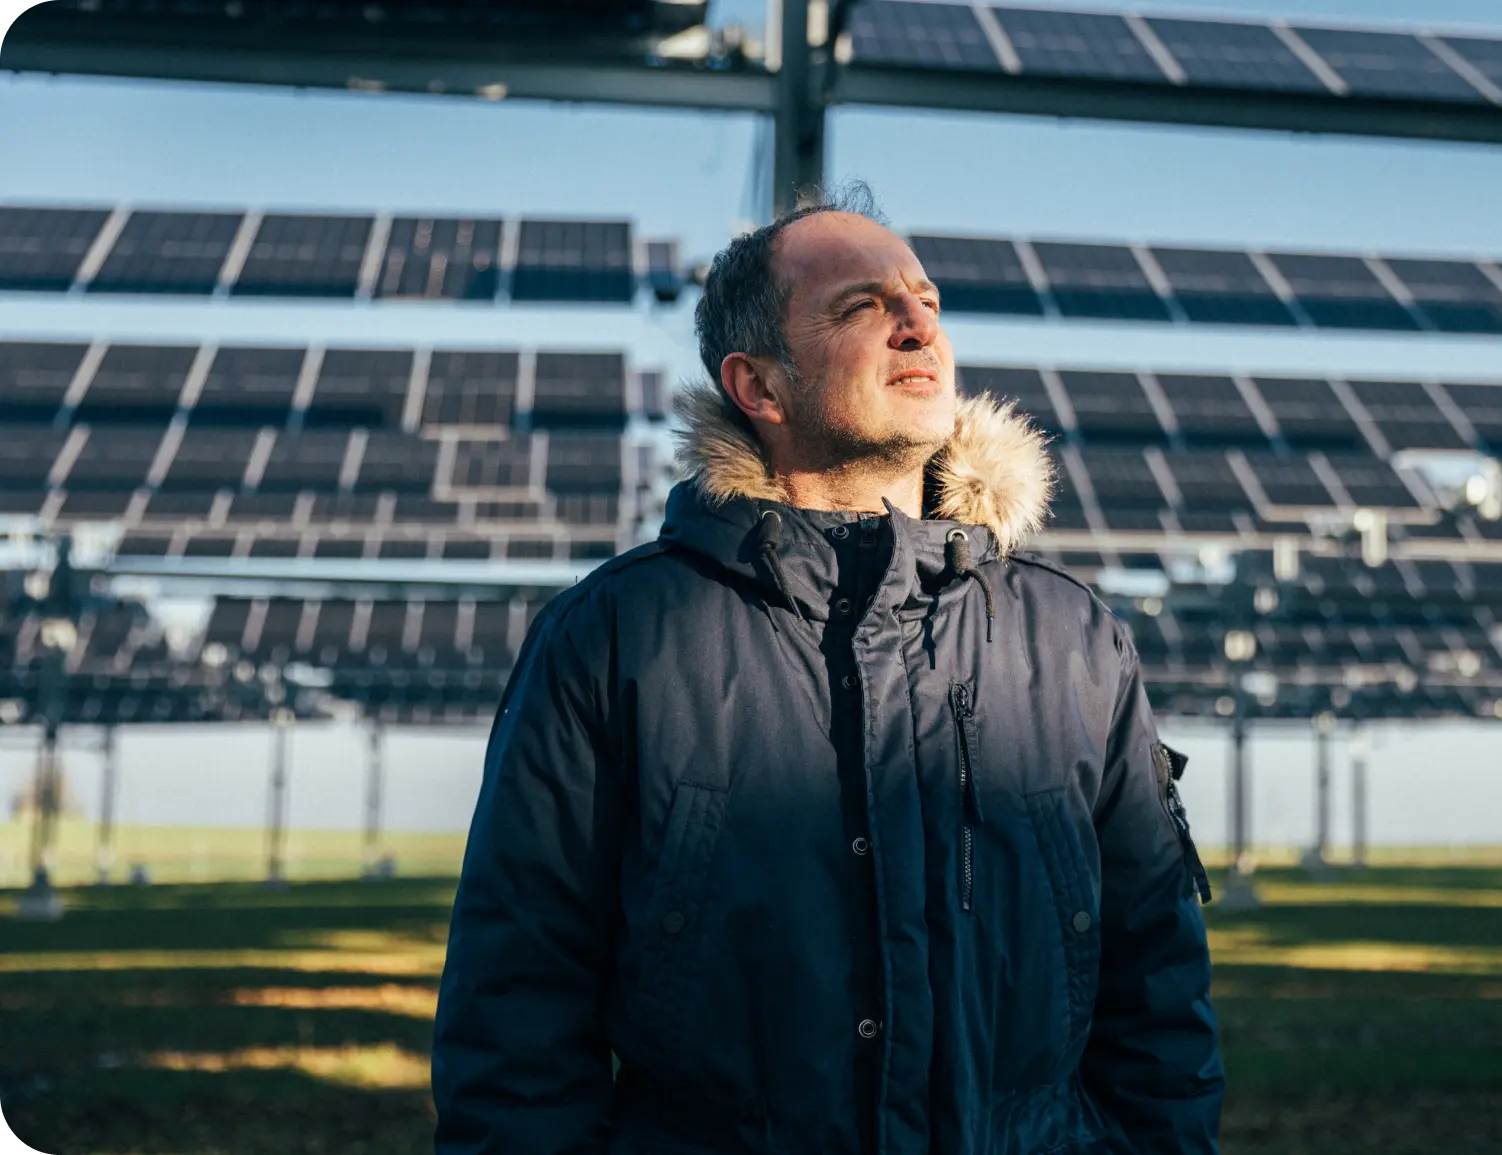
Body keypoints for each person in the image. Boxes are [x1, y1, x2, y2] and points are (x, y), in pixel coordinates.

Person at [431, 184, 1224, 1154]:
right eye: (862, 307)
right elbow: (517, 1018)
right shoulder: (613, 638)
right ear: (760, 386)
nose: (915, 326)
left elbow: (1158, 1002)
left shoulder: (1074, 641)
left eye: (925, 303)